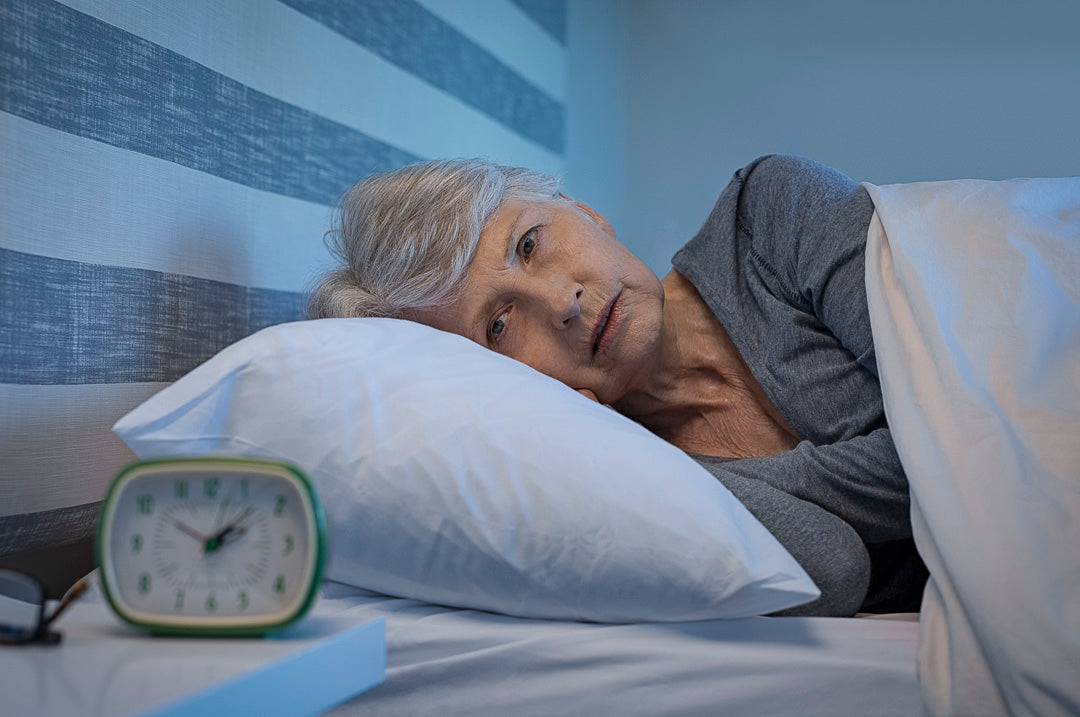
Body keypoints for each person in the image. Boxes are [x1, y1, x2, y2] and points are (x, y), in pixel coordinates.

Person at [308, 154, 928, 617]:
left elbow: (965, 440)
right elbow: (831, 565)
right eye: (499, 325)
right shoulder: (612, 489)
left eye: (529, 245)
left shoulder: (769, 216)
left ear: (583, 211)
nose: (561, 302)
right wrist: (614, 447)